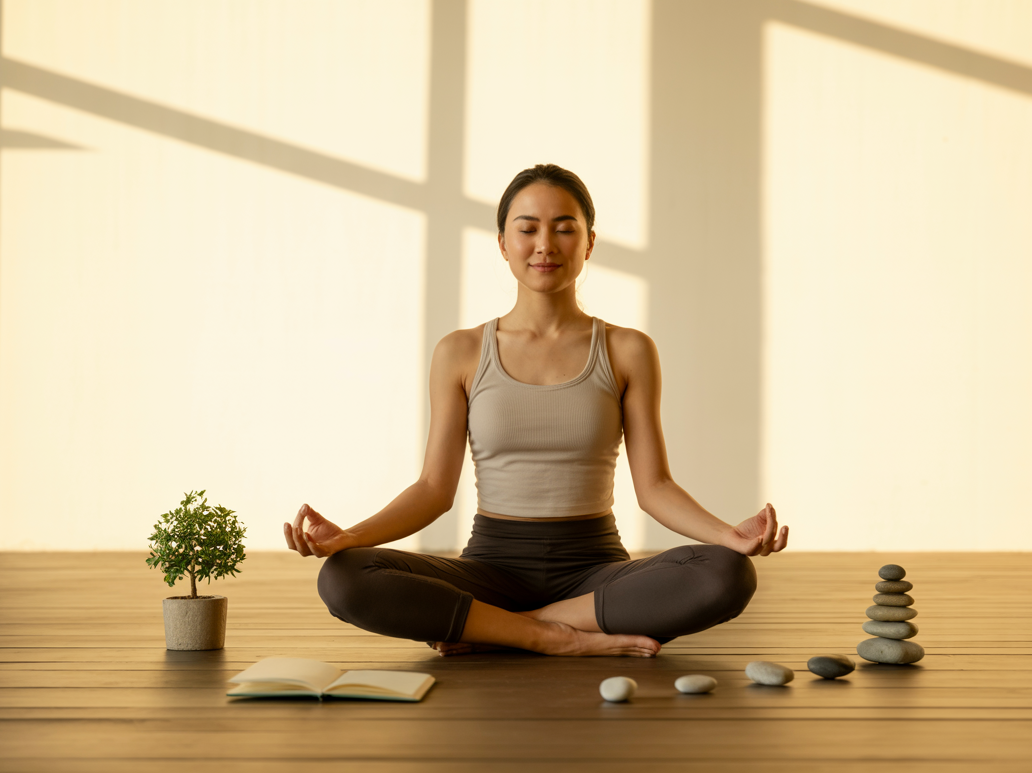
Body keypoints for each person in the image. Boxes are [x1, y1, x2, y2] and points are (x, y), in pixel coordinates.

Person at [284, 163, 789, 658]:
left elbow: (654, 488)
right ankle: (549, 636)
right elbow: (433, 491)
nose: (545, 245)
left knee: (727, 573)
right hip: (489, 571)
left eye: (565, 228)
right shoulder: (459, 352)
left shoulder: (627, 349)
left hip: (595, 575)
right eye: (527, 229)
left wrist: (728, 536)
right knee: (345, 578)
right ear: (503, 244)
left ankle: (510, 630)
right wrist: (348, 538)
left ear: (589, 242)